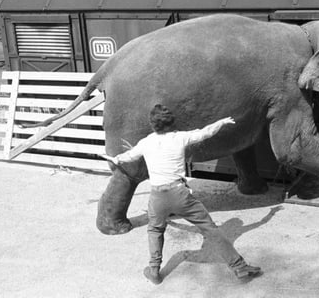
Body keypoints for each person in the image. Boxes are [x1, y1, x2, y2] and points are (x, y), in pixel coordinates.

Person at [100, 104, 262, 284]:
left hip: (157, 198)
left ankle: (154, 270)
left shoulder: (146, 142)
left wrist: (114, 159)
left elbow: (128, 157)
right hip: (180, 195)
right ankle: (239, 267)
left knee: (155, 230)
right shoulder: (180, 138)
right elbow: (205, 132)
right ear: (171, 123)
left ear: (153, 124)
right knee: (210, 230)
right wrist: (221, 122)